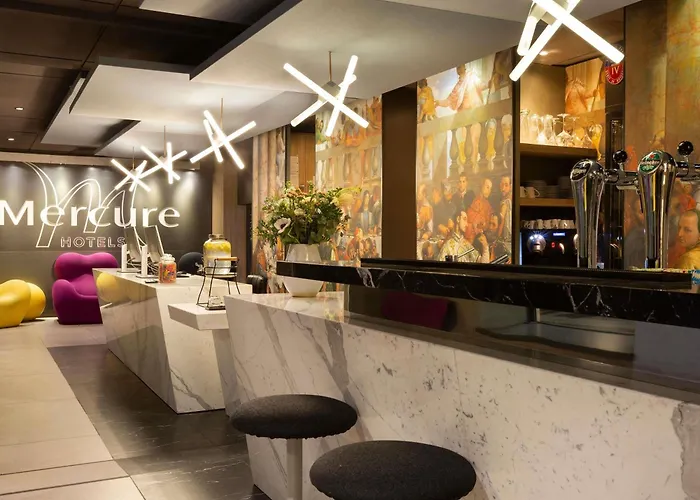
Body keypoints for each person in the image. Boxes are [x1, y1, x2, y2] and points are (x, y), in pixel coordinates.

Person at [498, 175, 512, 245]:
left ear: (510, 186)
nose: (503, 188)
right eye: (502, 185)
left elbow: (501, 221)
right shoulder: (504, 199)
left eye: (506, 185)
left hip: (506, 237)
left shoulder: (506, 202)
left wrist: (497, 237)